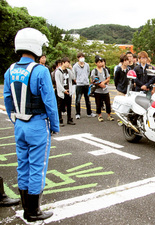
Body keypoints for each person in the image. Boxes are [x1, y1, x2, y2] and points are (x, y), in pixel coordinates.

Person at [3, 27, 59, 222]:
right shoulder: (40, 71)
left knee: (23, 165)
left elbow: (8, 99)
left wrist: (15, 118)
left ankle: (26, 206)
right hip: (37, 125)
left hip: (19, 124)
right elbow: (50, 102)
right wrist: (55, 125)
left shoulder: (10, 70)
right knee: (37, 166)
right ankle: (33, 211)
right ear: (35, 46)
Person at [73, 52, 96, 119]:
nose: (82, 58)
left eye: (82, 57)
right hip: (79, 84)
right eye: (80, 57)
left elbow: (88, 72)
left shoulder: (87, 65)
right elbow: (74, 76)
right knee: (78, 99)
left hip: (86, 84)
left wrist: (87, 80)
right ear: (78, 58)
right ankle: (77, 113)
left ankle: (89, 113)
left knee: (87, 99)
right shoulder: (75, 66)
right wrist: (77, 81)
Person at [91, 56, 114, 122]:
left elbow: (108, 78)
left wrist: (103, 83)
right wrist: (100, 84)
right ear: (96, 63)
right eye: (98, 62)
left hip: (105, 90)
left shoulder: (105, 70)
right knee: (98, 103)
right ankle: (99, 115)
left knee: (107, 103)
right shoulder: (94, 71)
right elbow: (93, 80)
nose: (100, 64)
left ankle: (109, 115)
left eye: (101, 62)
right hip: (98, 90)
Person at [55, 57, 76, 126]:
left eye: (68, 63)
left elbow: (73, 77)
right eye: (67, 62)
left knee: (69, 106)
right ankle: (59, 120)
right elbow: (58, 83)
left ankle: (69, 119)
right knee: (60, 106)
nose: (68, 64)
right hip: (62, 92)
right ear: (63, 63)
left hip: (68, 91)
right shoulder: (58, 72)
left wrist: (71, 69)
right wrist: (63, 91)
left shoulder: (68, 71)